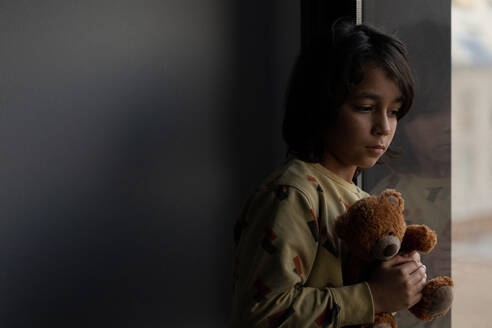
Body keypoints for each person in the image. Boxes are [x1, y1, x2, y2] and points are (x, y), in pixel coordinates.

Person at [231, 19, 427, 327]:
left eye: (393, 111)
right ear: (320, 106)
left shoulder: (360, 200)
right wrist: (374, 296)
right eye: (365, 107)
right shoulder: (292, 194)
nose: (384, 127)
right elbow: (261, 314)